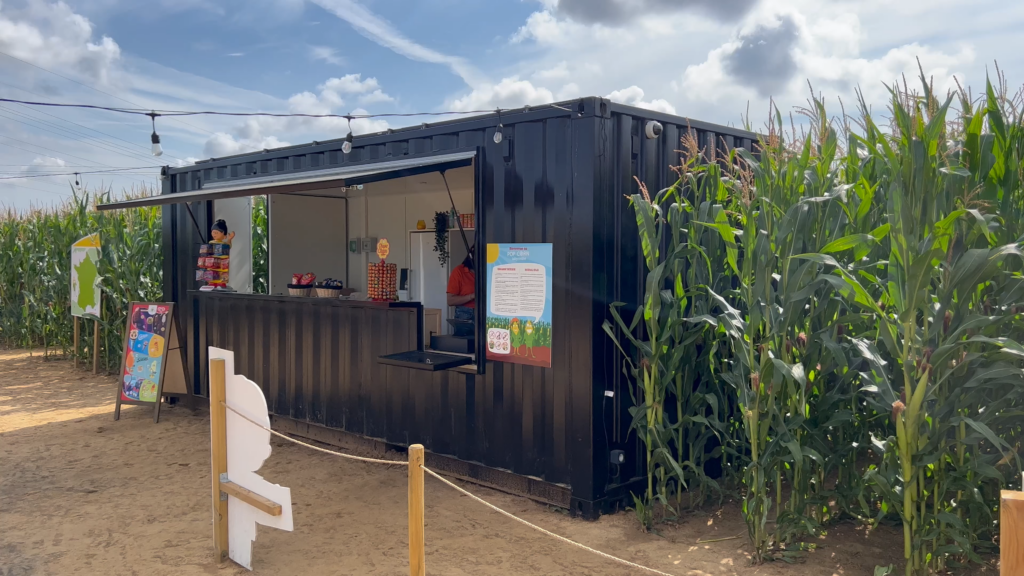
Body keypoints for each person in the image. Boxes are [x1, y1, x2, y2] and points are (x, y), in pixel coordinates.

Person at [446, 250, 475, 325]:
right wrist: (471, 296)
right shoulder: (459, 271)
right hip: (465, 314)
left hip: (485, 312)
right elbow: (450, 300)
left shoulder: (487, 270)